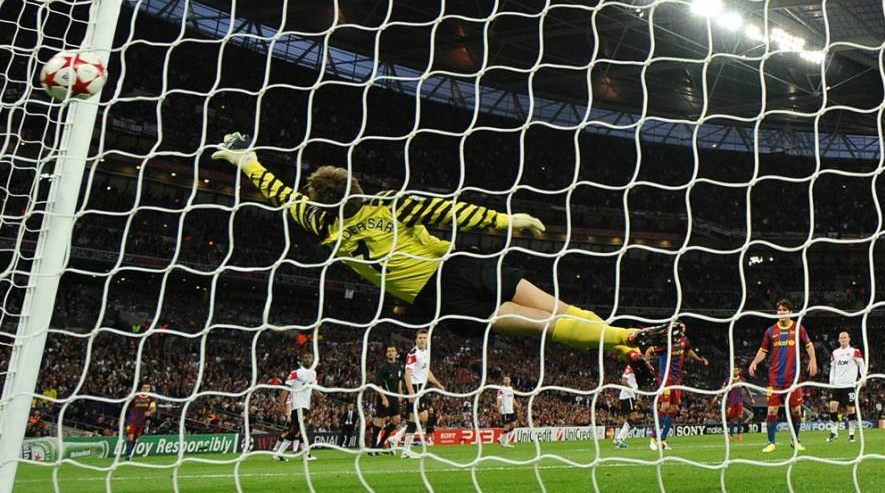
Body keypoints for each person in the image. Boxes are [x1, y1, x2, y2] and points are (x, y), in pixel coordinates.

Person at [210, 133, 682, 371]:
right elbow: (446, 210)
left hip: (435, 297)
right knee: (557, 309)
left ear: (319, 200)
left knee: (544, 327)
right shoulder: (386, 203)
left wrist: (244, 160)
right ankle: (626, 340)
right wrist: (505, 221)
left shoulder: (318, 221)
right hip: (462, 264)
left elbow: (279, 193)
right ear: (355, 186)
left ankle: (628, 343)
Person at [749, 299, 818, 453]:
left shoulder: (798, 327)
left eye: (784, 310)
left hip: (793, 378)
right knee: (772, 410)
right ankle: (771, 442)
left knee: (796, 411)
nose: (781, 312)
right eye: (779, 310)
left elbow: (809, 344)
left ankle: (795, 440)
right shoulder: (771, 331)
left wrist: (813, 359)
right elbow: (763, 350)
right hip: (775, 377)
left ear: (790, 312)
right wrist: (754, 362)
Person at [646, 334, 708, 451]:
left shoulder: (684, 340)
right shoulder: (666, 341)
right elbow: (649, 351)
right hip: (666, 379)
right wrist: (648, 367)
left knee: (674, 409)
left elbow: (688, 351)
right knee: (665, 407)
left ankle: (663, 440)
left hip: (676, 380)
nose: (683, 329)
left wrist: (699, 360)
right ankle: (653, 438)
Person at [393, 330, 445, 458]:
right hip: (415, 389)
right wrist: (411, 393)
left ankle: (398, 439)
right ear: (416, 340)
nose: (422, 340)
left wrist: (438, 384)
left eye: (424, 338)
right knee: (418, 418)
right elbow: (407, 374)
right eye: (420, 338)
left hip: (422, 388)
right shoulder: (413, 354)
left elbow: (427, 372)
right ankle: (405, 449)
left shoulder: (426, 353)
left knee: (420, 418)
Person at [274, 352, 318, 461]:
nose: (308, 359)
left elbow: (315, 389)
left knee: (300, 430)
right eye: (306, 357)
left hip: (306, 406)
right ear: (302, 360)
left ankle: (305, 455)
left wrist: (320, 397)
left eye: (310, 357)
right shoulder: (296, 373)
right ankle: (279, 453)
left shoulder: (313, 373)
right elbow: (286, 389)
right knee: (296, 430)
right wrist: (281, 405)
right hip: (298, 405)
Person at [827, 331, 865, 442]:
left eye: (845, 337)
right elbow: (832, 367)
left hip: (849, 385)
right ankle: (834, 433)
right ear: (839, 340)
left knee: (850, 410)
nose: (843, 339)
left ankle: (851, 434)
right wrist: (831, 380)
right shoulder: (835, 353)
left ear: (849, 339)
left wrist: (863, 378)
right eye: (841, 338)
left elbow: (861, 365)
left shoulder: (854, 351)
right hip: (837, 385)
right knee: (832, 406)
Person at [370, 345, 404, 453]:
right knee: (380, 422)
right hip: (384, 397)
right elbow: (378, 385)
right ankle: (372, 447)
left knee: (397, 420)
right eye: (388, 351)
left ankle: (381, 444)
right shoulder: (383, 368)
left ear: (396, 353)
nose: (390, 353)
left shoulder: (399, 366)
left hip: (394, 397)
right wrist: (384, 398)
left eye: (392, 351)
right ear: (386, 354)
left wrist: (400, 394)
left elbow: (399, 381)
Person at [710, 367, 754, 442]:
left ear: (739, 371)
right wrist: (716, 397)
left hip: (739, 402)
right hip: (731, 403)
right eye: (734, 370)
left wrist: (751, 398)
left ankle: (739, 434)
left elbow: (747, 389)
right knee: (732, 419)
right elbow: (722, 389)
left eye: (736, 370)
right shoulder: (728, 380)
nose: (735, 371)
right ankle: (731, 435)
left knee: (740, 418)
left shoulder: (742, 380)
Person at [124, 382, 156, 460]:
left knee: (135, 438)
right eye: (144, 387)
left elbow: (153, 408)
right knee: (130, 437)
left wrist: (150, 412)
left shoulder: (151, 398)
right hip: (131, 421)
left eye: (148, 388)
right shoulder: (135, 396)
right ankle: (128, 455)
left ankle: (130, 453)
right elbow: (126, 406)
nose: (146, 389)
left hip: (141, 422)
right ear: (141, 388)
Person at [613, 364, 639, 449]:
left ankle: (619, 440)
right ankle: (619, 439)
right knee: (632, 418)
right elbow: (623, 381)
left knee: (631, 419)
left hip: (628, 397)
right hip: (627, 396)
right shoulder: (630, 367)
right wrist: (632, 389)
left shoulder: (634, 368)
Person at [497, 375, 519, 447]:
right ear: (503, 381)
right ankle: (505, 442)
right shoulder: (501, 389)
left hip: (511, 410)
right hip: (505, 410)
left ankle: (501, 439)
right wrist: (499, 408)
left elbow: (512, 398)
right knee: (507, 426)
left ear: (510, 380)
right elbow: (499, 399)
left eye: (507, 379)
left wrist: (517, 405)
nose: (506, 380)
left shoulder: (511, 388)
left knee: (513, 425)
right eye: (505, 379)